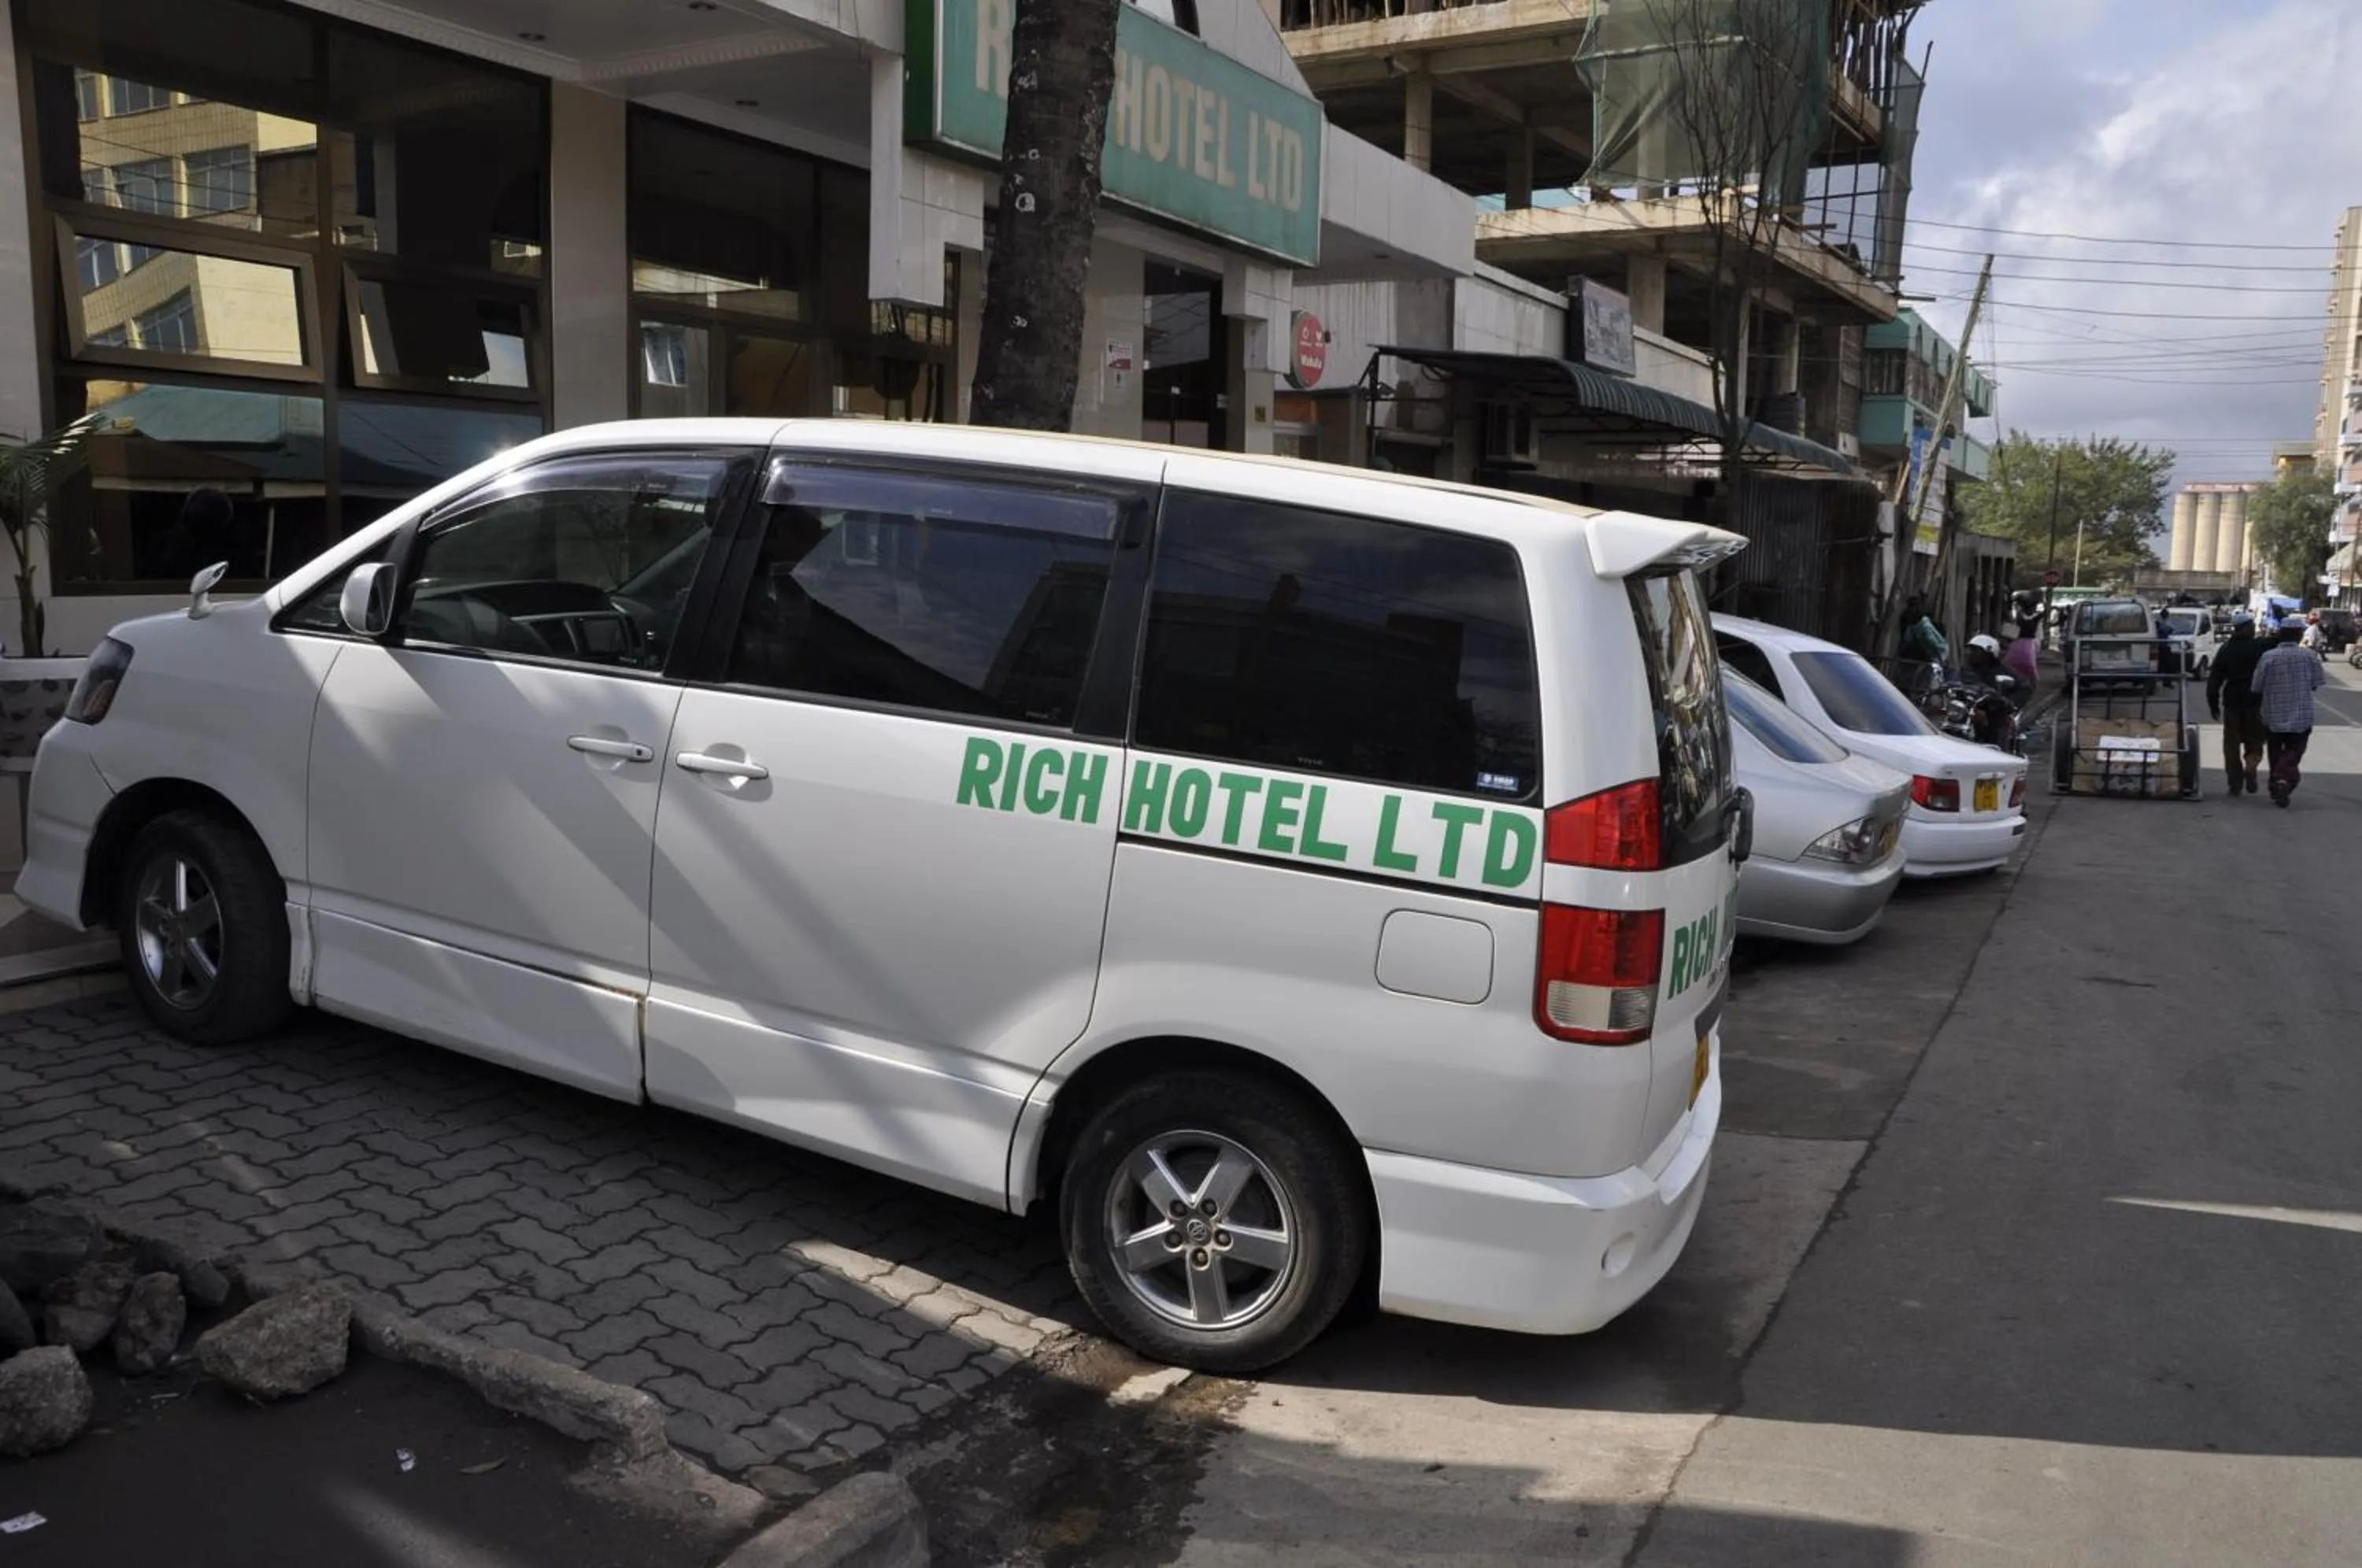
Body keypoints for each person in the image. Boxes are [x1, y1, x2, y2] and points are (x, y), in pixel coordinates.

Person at [2252, 622, 2327, 807]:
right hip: (2301, 716)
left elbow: (2256, 687)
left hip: (2273, 715)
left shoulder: (2268, 657)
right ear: (2299, 635)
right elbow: (2317, 682)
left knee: (2275, 752)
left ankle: (2277, 783)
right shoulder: (2310, 656)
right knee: (2294, 751)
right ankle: (2283, 780)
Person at [2206, 613, 2268, 796]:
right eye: (2253, 625)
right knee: (2255, 739)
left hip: (2232, 702)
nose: (2255, 628)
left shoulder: (2226, 649)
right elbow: (2283, 637)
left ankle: (2235, 784)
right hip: (2255, 701)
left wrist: (2213, 704)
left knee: (2231, 744)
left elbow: (2215, 679)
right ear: (2246, 627)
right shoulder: (2260, 646)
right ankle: (2251, 765)